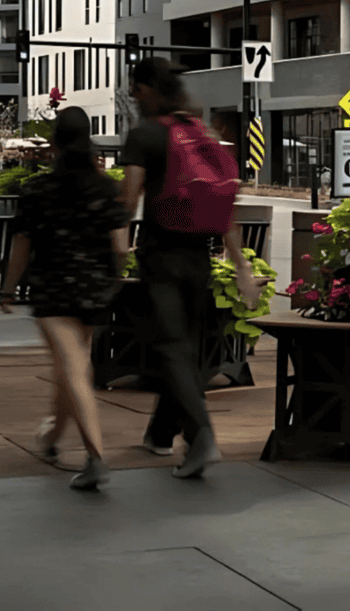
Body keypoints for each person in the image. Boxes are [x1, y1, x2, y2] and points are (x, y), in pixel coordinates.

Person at [120, 57, 263, 479]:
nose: (132, 95)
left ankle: (201, 436)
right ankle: (161, 434)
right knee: (184, 348)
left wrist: (114, 250)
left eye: (135, 88)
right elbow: (225, 210)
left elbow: (127, 201)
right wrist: (241, 267)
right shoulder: (200, 133)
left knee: (170, 347)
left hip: (161, 255)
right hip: (200, 258)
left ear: (147, 89)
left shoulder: (145, 134)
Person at [0, 105, 129, 491]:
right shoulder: (105, 188)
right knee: (68, 365)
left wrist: (8, 289)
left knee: (72, 368)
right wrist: (114, 279)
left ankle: (96, 456)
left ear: (54, 143)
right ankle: (53, 437)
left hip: (52, 291)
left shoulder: (37, 190)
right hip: (93, 291)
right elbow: (121, 246)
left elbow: (21, 244)